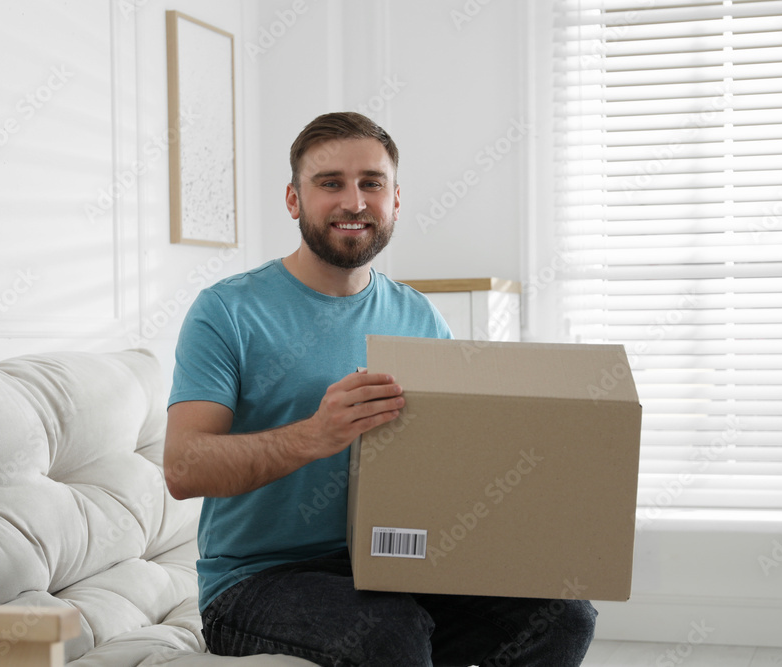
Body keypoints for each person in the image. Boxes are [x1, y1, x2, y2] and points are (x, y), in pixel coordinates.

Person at [164, 111, 597, 666]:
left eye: (372, 183)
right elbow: (182, 468)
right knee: (387, 632)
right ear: (294, 201)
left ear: (395, 200)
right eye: (330, 184)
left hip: (396, 564)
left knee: (562, 616)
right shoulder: (227, 311)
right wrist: (315, 435)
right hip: (256, 582)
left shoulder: (418, 316)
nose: (354, 201)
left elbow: (447, 466)